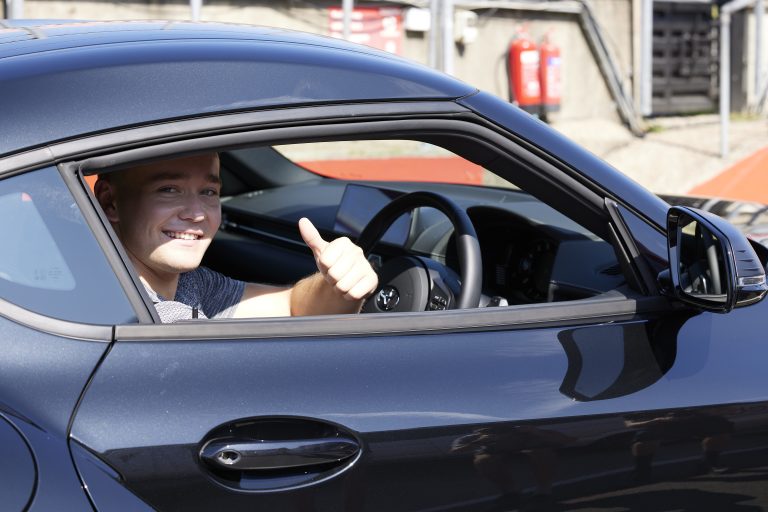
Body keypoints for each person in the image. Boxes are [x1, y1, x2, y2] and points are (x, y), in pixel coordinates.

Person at [94, 153, 379, 322]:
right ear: (111, 203)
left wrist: (338, 283)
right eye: (169, 189)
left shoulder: (191, 285)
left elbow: (291, 306)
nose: (197, 214)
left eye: (208, 192)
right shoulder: (126, 312)